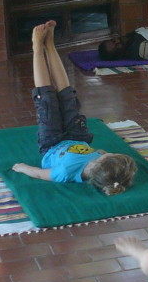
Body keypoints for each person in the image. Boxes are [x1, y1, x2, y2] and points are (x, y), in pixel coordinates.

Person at [12, 21, 137, 195]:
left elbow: (40, 174)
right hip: (77, 136)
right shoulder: (103, 165)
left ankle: (37, 47)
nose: (105, 152)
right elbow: (100, 152)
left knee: (47, 98)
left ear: (98, 164)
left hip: (52, 143)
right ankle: (50, 45)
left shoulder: (65, 173)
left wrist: (22, 168)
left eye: (107, 155)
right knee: (67, 95)